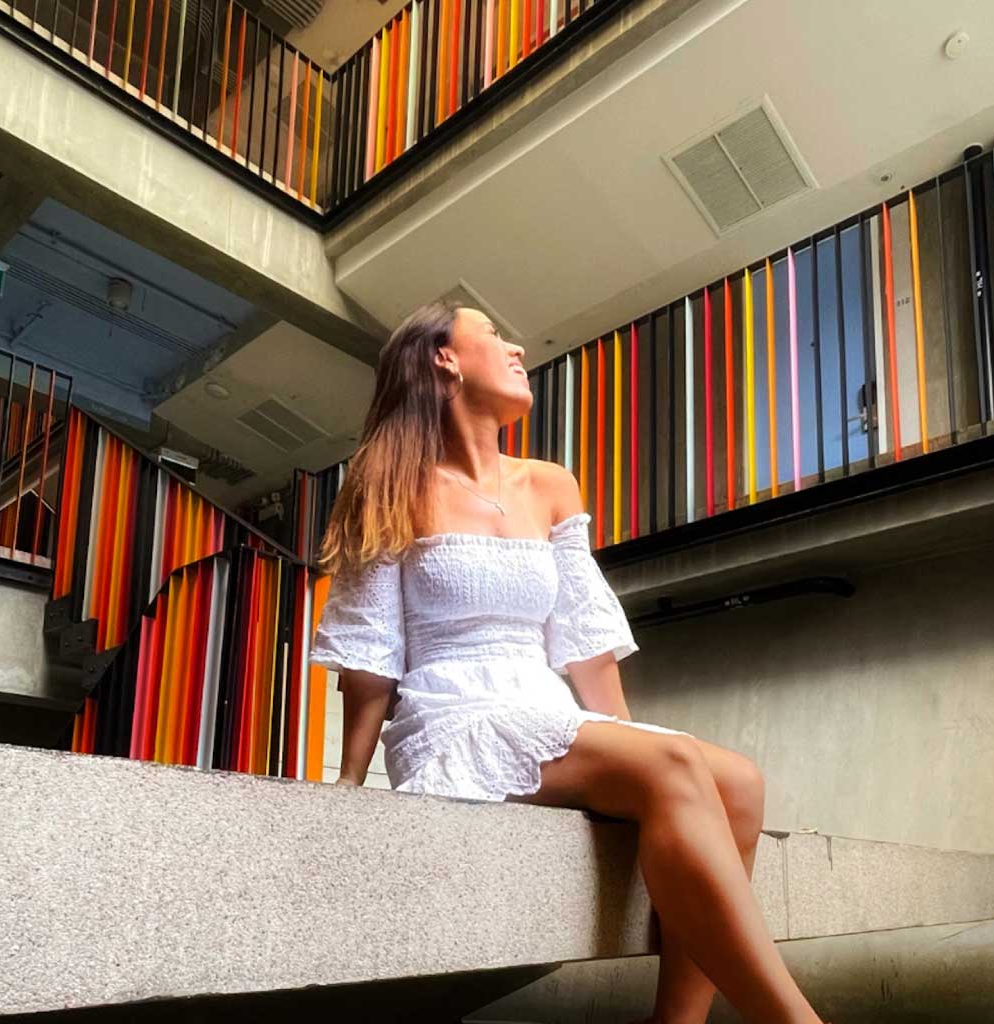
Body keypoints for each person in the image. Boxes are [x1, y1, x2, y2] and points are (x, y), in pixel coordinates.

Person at [309, 302, 830, 1024]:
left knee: (738, 781)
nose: (517, 347)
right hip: (454, 716)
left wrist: (636, 750)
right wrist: (349, 781)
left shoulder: (551, 485)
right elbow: (370, 652)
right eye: (493, 334)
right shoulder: (389, 481)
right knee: (677, 766)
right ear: (443, 358)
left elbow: (584, 636)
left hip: (542, 707)